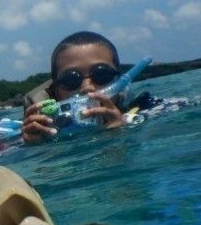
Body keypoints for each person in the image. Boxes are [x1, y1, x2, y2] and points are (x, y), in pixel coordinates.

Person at [21, 31, 154, 143]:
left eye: (101, 74)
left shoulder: (150, 111)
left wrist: (121, 134)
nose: (87, 87)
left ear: (119, 80)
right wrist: (37, 146)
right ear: (55, 91)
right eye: (71, 79)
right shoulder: (32, 133)